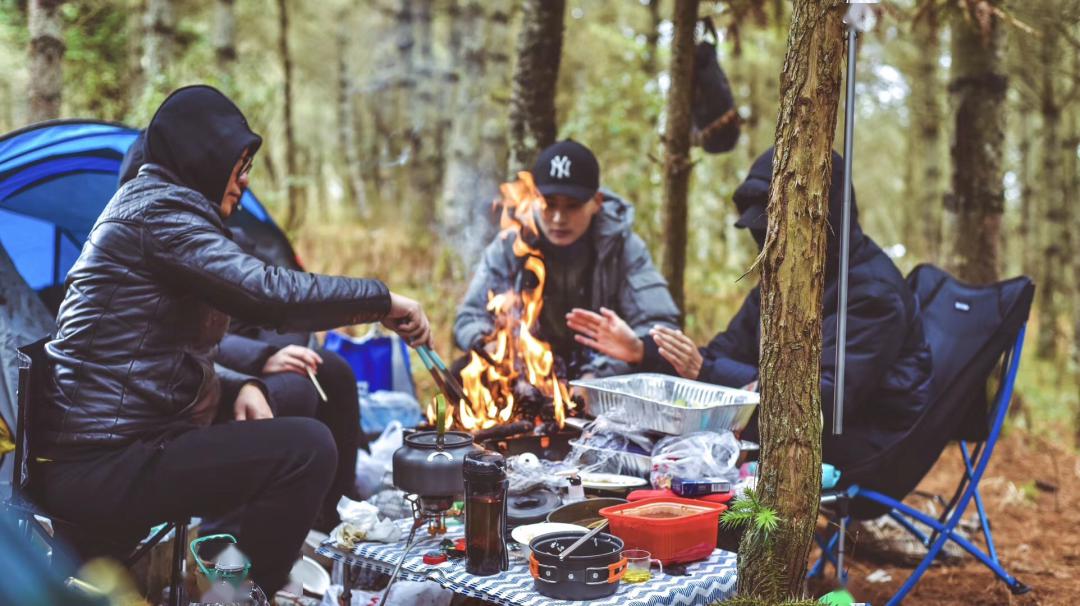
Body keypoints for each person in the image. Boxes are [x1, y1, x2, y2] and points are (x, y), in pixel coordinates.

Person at [35, 85, 431, 596]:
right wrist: (384, 302)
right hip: (103, 465)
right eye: (238, 166)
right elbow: (267, 294)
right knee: (306, 448)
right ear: (203, 156)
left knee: (291, 400)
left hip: (123, 443)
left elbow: (150, 356)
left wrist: (236, 384)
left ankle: (231, 559)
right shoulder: (159, 215)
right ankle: (234, 588)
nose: (243, 183)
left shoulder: (157, 207)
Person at [568, 147, 933, 467]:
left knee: (691, 452)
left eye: (775, 229)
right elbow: (721, 354)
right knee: (653, 440)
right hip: (790, 424)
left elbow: (823, 399)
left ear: (818, 221)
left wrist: (709, 371)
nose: (767, 244)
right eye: (762, 232)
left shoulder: (872, 293)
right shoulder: (786, 279)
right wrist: (641, 351)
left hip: (865, 442)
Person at [120, 133, 366, 533]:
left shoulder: (223, 234)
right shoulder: (153, 239)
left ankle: (335, 511)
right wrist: (256, 364)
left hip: (227, 366)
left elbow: (272, 296)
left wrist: (279, 349)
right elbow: (179, 347)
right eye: (237, 171)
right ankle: (235, 540)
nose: (242, 182)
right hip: (185, 402)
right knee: (298, 394)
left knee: (330, 370)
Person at [454, 139, 680, 380]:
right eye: (549, 205)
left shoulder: (622, 247)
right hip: (525, 374)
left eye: (572, 206)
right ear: (533, 199)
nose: (559, 218)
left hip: (603, 376)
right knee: (462, 372)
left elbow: (661, 330)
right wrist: (493, 347)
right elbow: (469, 318)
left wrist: (599, 376)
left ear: (596, 202)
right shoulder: (511, 244)